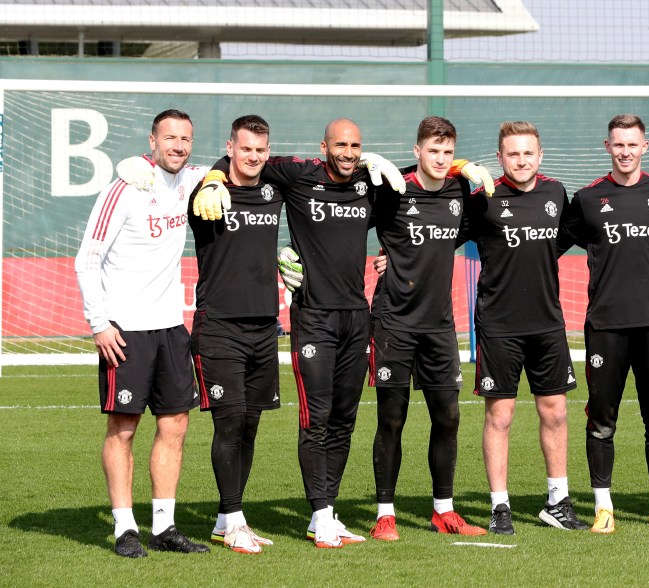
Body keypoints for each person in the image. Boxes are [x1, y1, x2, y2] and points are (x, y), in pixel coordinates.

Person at [198, 118, 405, 548]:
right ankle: (317, 512)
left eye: (356, 145)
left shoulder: (370, 184)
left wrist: (389, 255)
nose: (347, 152)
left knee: (345, 422)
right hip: (312, 318)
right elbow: (245, 161)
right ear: (323, 146)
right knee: (317, 419)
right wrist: (216, 174)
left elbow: (405, 217)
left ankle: (326, 513)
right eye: (340, 145)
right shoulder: (296, 175)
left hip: (356, 316)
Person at [75, 109, 210, 558]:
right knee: (124, 428)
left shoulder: (192, 179)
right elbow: (87, 259)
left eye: (185, 139)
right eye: (169, 137)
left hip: (172, 327)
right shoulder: (124, 189)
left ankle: (165, 526)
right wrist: (99, 323)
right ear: (151, 141)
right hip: (125, 330)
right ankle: (124, 528)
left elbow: (235, 165)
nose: (177, 145)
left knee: (175, 425)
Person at [557, 114, 649, 533]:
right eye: (618, 144)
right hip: (606, 325)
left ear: (645, 146)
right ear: (607, 146)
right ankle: (603, 507)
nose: (626, 151)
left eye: (633, 144)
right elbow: (547, 247)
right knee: (601, 418)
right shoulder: (587, 199)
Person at [368, 116, 491, 540]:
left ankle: (445, 510)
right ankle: (385, 513)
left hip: (439, 325)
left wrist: (463, 168)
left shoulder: (460, 190)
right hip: (393, 322)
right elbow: (348, 224)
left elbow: (449, 238)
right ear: (417, 151)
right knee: (392, 418)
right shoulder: (394, 189)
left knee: (449, 416)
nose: (440, 159)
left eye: (448, 153)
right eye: (432, 151)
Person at [462, 121, 588, 534]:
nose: (521, 160)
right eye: (512, 154)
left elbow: (562, 239)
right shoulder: (484, 198)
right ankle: (500, 506)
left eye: (528, 153)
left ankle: (558, 501)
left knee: (555, 411)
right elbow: (441, 233)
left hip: (548, 323)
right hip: (498, 325)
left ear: (540, 155)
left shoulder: (555, 194)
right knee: (500, 415)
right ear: (500, 158)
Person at [188, 115, 283, 554]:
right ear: (230, 147)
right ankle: (235, 519)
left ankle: (228, 518)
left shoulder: (274, 186)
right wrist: (209, 178)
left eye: (260, 150)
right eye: (246, 149)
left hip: (265, 325)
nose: (254, 157)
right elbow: (187, 180)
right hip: (219, 326)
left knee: (249, 426)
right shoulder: (207, 192)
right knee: (228, 424)